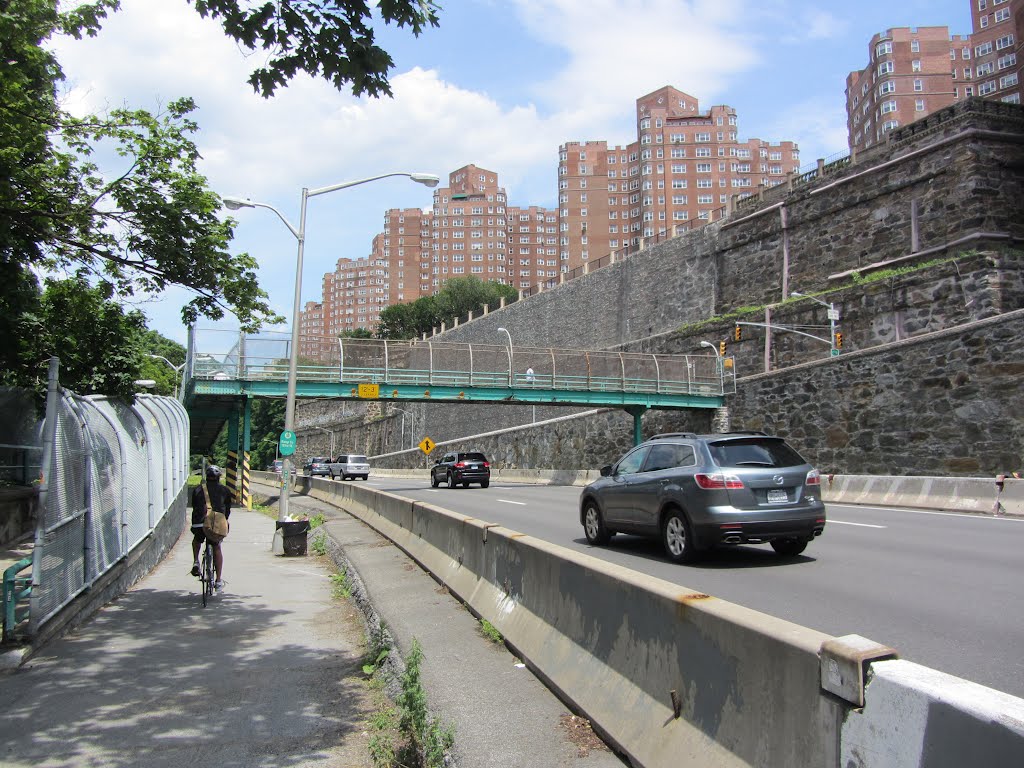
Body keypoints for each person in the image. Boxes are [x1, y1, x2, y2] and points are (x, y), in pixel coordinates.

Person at [191, 465, 232, 591]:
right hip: (215, 525)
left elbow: (194, 506)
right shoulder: (225, 491)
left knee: (197, 539)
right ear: (218, 477)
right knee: (216, 547)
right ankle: (218, 580)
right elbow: (227, 510)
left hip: (199, 523)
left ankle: (196, 561)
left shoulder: (198, 489)